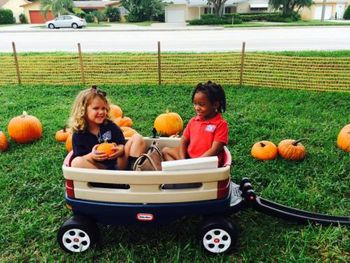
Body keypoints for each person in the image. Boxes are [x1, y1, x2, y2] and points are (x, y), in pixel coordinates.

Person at [68, 85, 146, 170]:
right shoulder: (79, 134)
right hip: (99, 170)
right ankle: (108, 182)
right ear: (83, 110)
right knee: (76, 162)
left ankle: (132, 171)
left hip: (118, 166)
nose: (101, 112)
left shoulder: (110, 126)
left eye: (104, 108)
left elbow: (122, 144)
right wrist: (92, 156)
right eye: (96, 108)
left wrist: (119, 150)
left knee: (137, 138)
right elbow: (80, 157)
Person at [162, 81, 228, 167]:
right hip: (189, 159)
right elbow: (184, 140)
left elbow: (214, 150)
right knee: (165, 151)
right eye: (195, 104)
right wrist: (182, 159)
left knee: (192, 167)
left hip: (206, 163)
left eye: (202, 104)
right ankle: (181, 172)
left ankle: (183, 174)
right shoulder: (193, 121)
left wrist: (195, 164)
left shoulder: (220, 124)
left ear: (215, 104)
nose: (197, 108)